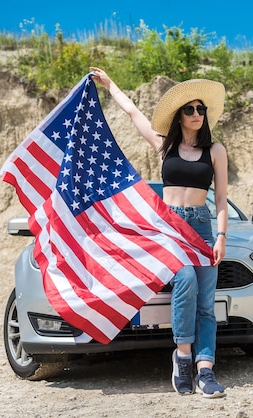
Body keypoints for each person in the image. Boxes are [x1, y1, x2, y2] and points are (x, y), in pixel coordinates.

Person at [90, 67, 229, 398]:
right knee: (186, 281)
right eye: (190, 109)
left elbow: (222, 197)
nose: (196, 114)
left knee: (206, 302)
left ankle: (205, 370)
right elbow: (133, 112)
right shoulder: (164, 145)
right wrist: (111, 85)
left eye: (200, 109)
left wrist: (221, 236)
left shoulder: (216, 151)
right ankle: (182, 358)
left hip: (201, 225)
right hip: (169, 228)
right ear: (179, 116)